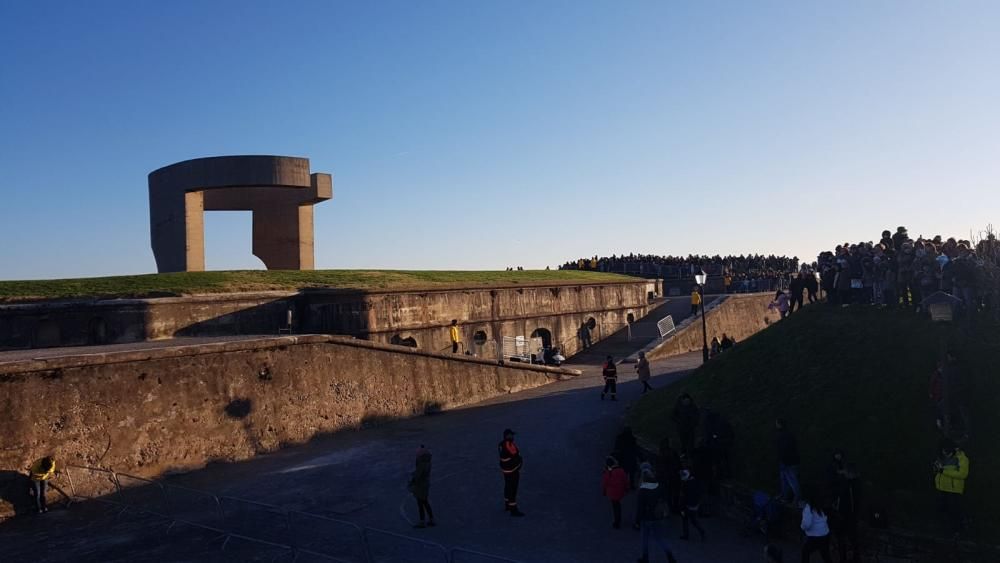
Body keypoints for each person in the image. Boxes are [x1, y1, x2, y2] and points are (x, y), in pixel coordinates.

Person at [636, 465, 678, 563]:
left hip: (646, 518)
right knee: (660, 539)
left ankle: (645, 557)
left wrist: (637, 520)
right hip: (658, 517)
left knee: (644, 539)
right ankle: (670, 557)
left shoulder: (643, 490)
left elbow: (640, 507)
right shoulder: (659, 487)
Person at [827, 451, 860, 563]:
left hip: (845, 516)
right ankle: (854, 557)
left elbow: (843, 502)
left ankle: (844, 559)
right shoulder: (856, 484)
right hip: (852, 516)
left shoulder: (847, 486)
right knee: (852, 538)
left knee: (842, 538)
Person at [933, 439, 969, 535]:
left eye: (947, 451)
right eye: (944, 451)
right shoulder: (940, 456)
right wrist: (936, 469)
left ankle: (958, 530)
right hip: (941, 488)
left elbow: (963, 474)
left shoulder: (961, 457)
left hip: (954, 490)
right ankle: (945, 530)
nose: (945, 453)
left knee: (954, 511)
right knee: (942, 510)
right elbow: (937, 470)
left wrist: (943, 471)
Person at [498, 428, 525, 517]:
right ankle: (513, 510)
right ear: (507, 436)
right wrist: (519, 461)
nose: (512, 436)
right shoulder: (508, 444)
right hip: (512, 470)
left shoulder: (501, 444)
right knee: (512, 489)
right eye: (511, 435)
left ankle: (507, 504)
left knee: (508, 487)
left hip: (506, 470)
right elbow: (515, 454)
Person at [408, 445, 435, 528]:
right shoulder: (428, 462)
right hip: (425, 485)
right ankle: (431, 519)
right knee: (425, 502)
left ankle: (422, 521)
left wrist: (412, 481)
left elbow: (418, 475)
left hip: (420, 486)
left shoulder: (422, 464)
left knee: (420, 503)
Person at [775, 419, 801, 503]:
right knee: (785, 480)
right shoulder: (790, 434)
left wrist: (782, 460)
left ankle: (796, 498)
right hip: (791, 461)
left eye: (776, 424)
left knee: (792, 481)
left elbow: (783, 450)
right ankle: (785, 496)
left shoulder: (781, 436)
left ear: (779, 425)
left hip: (787, 462)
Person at [800, 497, 833, 562]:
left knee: (805, 552)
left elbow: (806, 524)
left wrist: (802, 527)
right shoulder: (820, 505)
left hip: (814, 536)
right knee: (825, 554)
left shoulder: (808, 507)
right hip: (825, 534)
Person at [679, 469, 707, 542]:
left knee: (686, 520)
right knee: (693, 520)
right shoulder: (695, 482)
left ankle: (686, 535)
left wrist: (682, 507)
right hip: (694, 505)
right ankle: (701, 531)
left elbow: (684, 497)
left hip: (687, 505)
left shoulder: (686, 484)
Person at [601, 455, 629, 529]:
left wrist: (604, 491)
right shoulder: (620, 471)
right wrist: (626, 488)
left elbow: (605, 483)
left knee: (615, 506)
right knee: (617, 505)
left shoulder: (607, 473)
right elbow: (625, 480)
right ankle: (617, 520)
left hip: (612, 492)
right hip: (620, 491)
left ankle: (617, 522)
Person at [657, 438, 683, 516]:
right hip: (673, 476)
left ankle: (670, 508)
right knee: (674, 493)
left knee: (668, 493)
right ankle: (674, 507)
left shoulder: (661, 454)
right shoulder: (671, 452)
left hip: (667, 476)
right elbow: (678, 464)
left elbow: (659, 466)